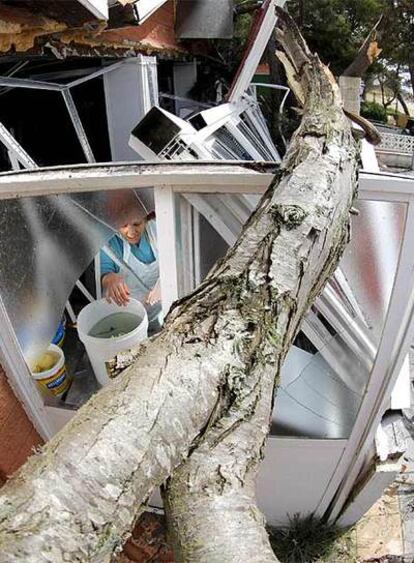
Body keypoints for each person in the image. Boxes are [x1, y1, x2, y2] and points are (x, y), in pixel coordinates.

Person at [100, 212, 162, 333]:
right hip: (125, 314)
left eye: (137, 224)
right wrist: (110, 279)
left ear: (146, 218)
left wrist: (165, 280)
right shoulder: (111, 241)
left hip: (158, 309)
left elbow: (177, 258)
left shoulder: (158, 229)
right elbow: (105, 272)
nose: (131, 232)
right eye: (124, 226)